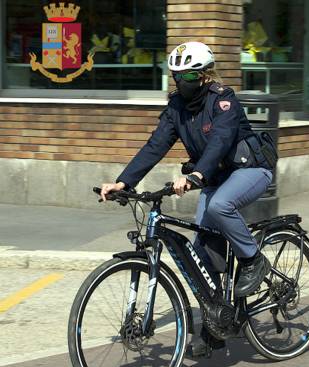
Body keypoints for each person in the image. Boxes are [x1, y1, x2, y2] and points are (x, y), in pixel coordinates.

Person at [100, 41, 272, 308]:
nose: (182, 81)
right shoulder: (176, 108)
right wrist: (124, 181)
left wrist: (196, 176)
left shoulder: (223, 100)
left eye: (189, 75)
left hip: (248, 170)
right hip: (214, 178)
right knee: (202, 250)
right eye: (176, 76)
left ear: (204, 75)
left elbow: (221, 141)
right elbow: (155, 145)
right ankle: (215, 322)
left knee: (219, 205)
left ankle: (253, 259)